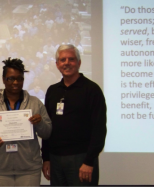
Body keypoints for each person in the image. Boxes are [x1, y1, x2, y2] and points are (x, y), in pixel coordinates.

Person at [0, 57, 52, 187]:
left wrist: (40, 123)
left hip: (29, 169)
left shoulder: (35, 103)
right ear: (3, 79)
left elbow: (47, 133)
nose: (15, 82)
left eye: (19, 78)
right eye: (11, 78)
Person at [42, 44, 107, 187]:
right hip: (55, 159)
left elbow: (99, 129)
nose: (67, 63)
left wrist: (89, 161)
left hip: (81, 159)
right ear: (57, 64)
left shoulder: (92, 90)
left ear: (79, 63)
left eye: (71, 59)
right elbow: (47, 127)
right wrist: (46, 158)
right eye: (62, 60)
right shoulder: (52, 91)